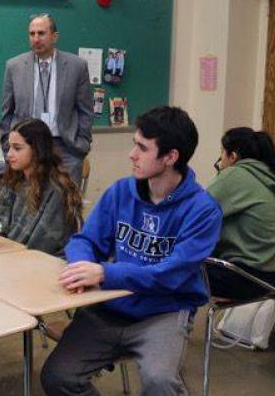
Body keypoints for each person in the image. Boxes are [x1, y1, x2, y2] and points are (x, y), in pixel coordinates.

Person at [41, 107, 222, 396]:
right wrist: (81, 267)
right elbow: (84, 240)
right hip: (110, 307)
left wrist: (104, 272)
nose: (132, 154)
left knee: (159, 382)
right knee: (57, 377)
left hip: (162, 311)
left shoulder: (202, 210)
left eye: (142, 147)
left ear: (171, 157)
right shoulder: (121, 191)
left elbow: (170, 275)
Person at [0, 13, 94, 185]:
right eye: (32, 34)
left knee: (65, 206)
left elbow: (86, 110)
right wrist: (9, 147)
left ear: (54, 36)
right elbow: (6, 112)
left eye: (41, 33)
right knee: (29, 204)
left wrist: (82, 144)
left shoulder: (77, 66)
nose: (36, 38)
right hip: (27, 146)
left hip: (65, 148)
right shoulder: (14, 66)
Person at [206, 127, 275, 300]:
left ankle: (176, 326)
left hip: (241, 277)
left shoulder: (235, 174)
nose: (220, 162)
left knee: (174, 270)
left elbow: (195, 212)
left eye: (221, 155)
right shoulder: (268, 176)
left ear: (233, 156)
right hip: (270, 277)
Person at [0, 119, 83, 256]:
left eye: (17, 148)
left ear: (36, 150)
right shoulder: (13, 181)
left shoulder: (57, 190)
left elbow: (42, 245)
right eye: (9, 147)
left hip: (49, 263)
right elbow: (1, 228)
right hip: (14, 256)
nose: (9, 155)